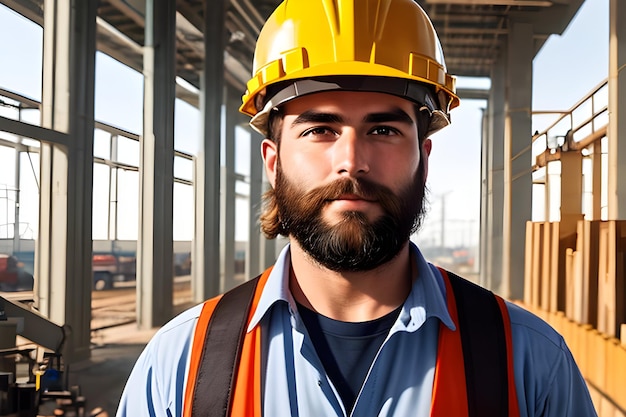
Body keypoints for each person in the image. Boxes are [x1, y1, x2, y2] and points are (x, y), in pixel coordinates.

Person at [116, 0, 598, 416]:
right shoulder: (182, 366)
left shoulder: (529, 361)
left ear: (423, 159)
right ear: (273, 160)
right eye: (319, 130)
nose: (352, 162)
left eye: (383, 130)